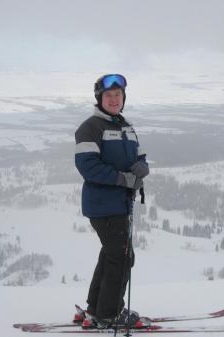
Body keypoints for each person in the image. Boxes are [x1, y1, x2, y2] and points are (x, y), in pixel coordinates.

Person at [74, 74, 149, 328]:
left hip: (120, 204)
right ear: (100, 98)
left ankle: (96, 308)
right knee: (122, 257)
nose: (114, 99)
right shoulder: (90, 128)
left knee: (112, 254)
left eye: (118, 95)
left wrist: (141, 167)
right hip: (103, 205)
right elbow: (89, 167)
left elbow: (137, 157)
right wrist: (123, 180)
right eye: (109, 95)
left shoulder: (125, 126)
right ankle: (109, 313)